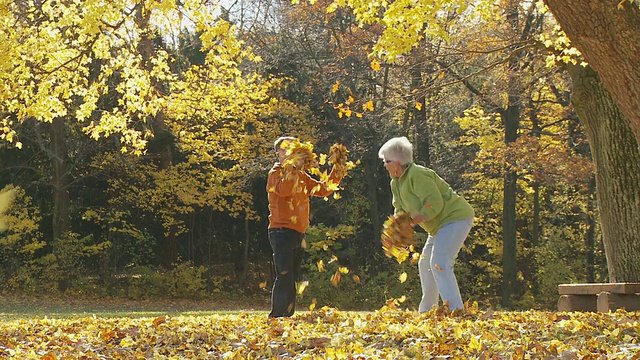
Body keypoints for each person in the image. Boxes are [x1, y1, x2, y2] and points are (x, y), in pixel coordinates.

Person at [378, 136, 474, 311]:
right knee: (425, 264)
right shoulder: (396, 183)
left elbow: (435, 203)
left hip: (455, 218)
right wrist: (396, 228)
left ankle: (455, 311)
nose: (385, 165)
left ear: (398, 162)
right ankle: (427, 311)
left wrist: (412, 222)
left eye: (387, 161)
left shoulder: (418, 175)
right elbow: (399, 210)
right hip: (438, 227)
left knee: (440, 262)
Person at [266, 136, 343, 318]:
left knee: (293, 275)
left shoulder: (301, 175)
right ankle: (277, 316)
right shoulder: (275, 173)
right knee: (284, 273)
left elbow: (323, 189)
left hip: (297, 231)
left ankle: (287, 314)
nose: (293, 151)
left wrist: (337, 169)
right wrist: (293, 167)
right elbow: (284, 191)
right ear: (279, 153)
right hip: (280, 231)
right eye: (288, 148)